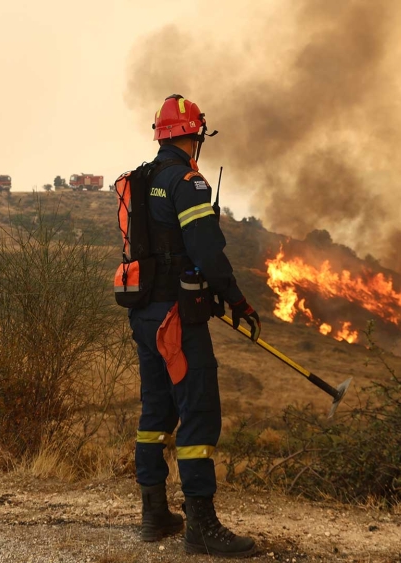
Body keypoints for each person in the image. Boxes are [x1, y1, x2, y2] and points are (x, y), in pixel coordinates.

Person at [128, 94, 261, 557]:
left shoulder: (142, 179)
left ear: (160, 135)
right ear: (194, 135)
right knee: (198, 409)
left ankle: (154, 514)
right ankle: (201, 527)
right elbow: (207, 252)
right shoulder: (188, 182)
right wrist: (237, 300)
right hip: (176, 319)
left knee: (155, 412)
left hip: (144, 314)